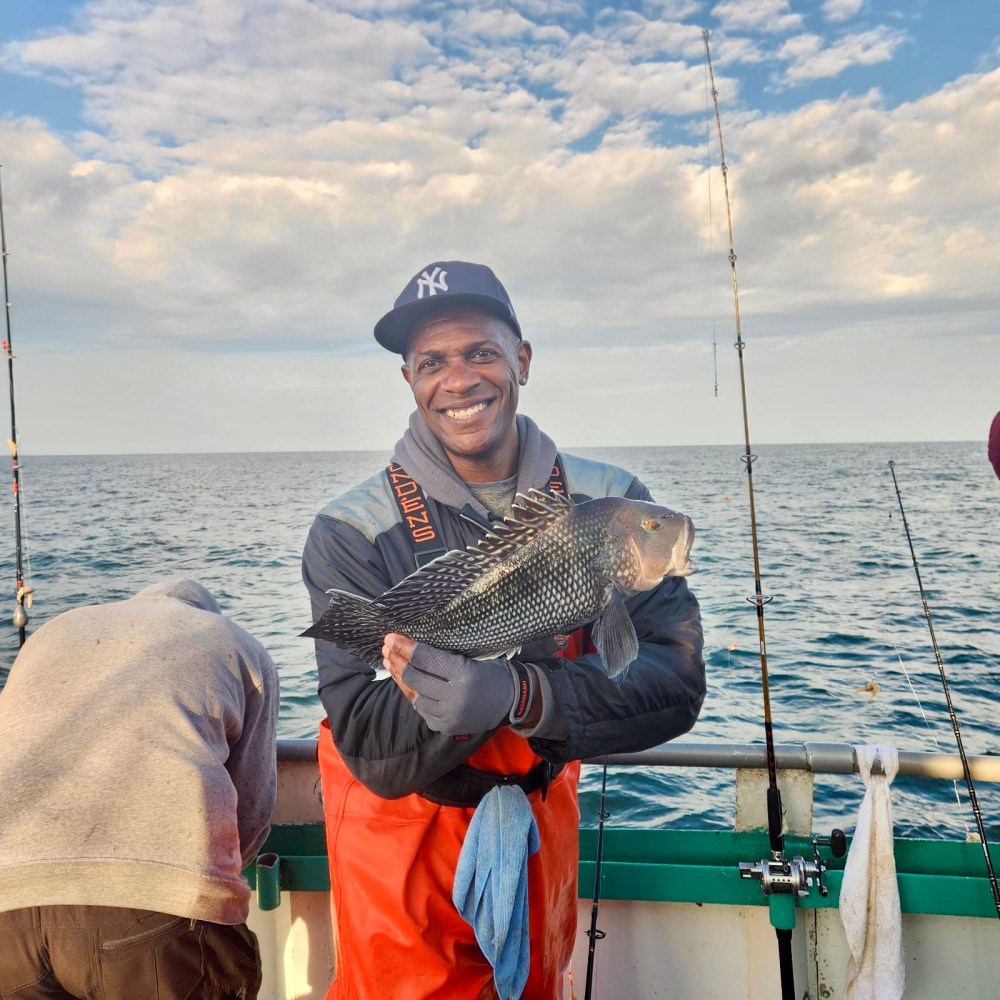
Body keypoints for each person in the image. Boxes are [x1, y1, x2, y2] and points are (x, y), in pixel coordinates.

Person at [302, 261, 706, 1000]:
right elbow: (369, 747)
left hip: (540, 835)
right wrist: (453, 703)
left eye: (480, 352)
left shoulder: (613, 502)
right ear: (410, 379)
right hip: (399, 860)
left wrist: (519, 693)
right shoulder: (350, 532)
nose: (459, 379)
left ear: (521, 359)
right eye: (433, 361)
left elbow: (673, 685)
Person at [0, 578, 279, 1000]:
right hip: (155, 915)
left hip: (8, 907)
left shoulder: (54, 631)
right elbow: (252, 811)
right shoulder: (237, 644)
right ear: (207, 612)